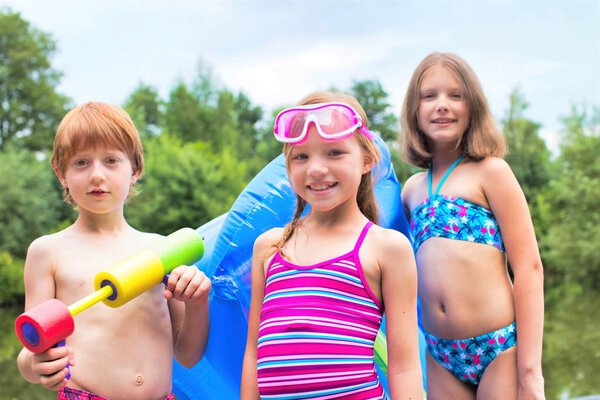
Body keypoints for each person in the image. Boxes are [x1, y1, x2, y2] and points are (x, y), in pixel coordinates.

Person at [16, 102, 211, 400]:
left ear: (135, 169)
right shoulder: (48, 252)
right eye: (81, 163)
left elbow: (188, 355)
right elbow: (32, 346)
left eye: (111, 160)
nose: (96, 174)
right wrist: (35, 364)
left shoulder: (162, 249)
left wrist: (197, 303)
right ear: (61, 173)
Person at [241, 92, 423, 399]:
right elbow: (253, 355)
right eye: (301, 156)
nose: (315, 169)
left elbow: (404, 367)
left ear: (367, 160)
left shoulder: (386, 248)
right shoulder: (270, 248)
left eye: (334, 153)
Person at [400, 52, 545, 399]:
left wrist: (530, 373)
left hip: (498, 348)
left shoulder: (491, 172)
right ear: (414, 111)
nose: (442, 105)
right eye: (429, 95)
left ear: (473, 106)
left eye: (455, 95)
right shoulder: (411, 191)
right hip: (439, 355)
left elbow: (529, 268)